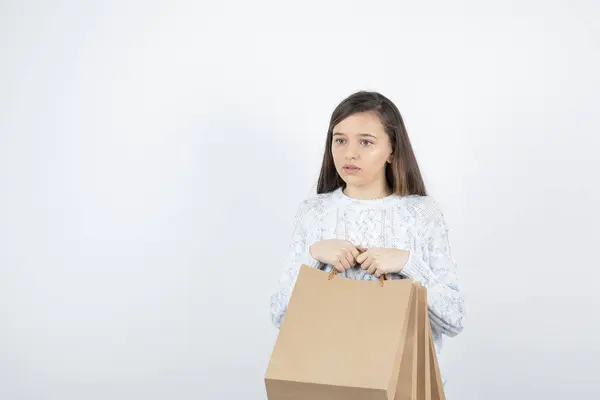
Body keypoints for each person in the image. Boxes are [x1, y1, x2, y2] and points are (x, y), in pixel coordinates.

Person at [269, 90, 465, 388]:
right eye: (340, 140)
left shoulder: (422, 214)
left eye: (366, 142)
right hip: (326, 381)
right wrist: (314, 255)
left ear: (392, 149)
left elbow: (453, 320)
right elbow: (279, 316)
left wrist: (408, 264)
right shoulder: (313, 212)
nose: (349, 153)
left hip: (403, 385)